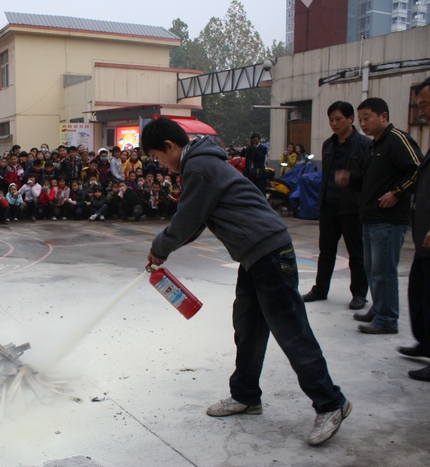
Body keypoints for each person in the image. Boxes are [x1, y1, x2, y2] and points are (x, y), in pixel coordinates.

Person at [142, 117, 349, 446]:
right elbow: (195, 224)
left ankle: (331, 403)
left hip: (269, 253)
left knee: (291, 332)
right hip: (255, 256)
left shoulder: (199, 167)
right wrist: (164, 252)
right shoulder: (201, 164)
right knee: (248, 327)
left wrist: (158, 249)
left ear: (170, 146)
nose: (160, 165)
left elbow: (186, 221)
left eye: (157, 157)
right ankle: (246, 396)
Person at [336, 98, 423, 334]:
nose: (363, 123)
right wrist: (350, 178)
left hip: (389, 219)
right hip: (371, 217)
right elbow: (366, 180)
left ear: (383, 116)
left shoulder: (397, 139)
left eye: (367, 118)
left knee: (384, 270)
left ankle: (387, 319)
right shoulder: (375, 146)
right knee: (373, 268)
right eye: (361, 119)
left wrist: (396, 193)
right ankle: (379, 309)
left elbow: (418, 169)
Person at [302, 102, 370, 310]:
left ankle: (359, 294)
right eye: (331, 119)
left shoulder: (365, 145)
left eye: (338, 119)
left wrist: (351, 178)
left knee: (356, 253)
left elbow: (369, 178)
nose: (334, 123)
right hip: (329, 205)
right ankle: (320, 289)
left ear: (350, 119)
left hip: (351, 207)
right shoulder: (328, 145)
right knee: (326, 251)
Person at [397, 78, 430, 381]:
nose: (422, 111)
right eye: (419, 105)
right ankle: (425, 341)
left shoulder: (399, 141)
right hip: (422, 237)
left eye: (425, 105)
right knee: (419, 292)